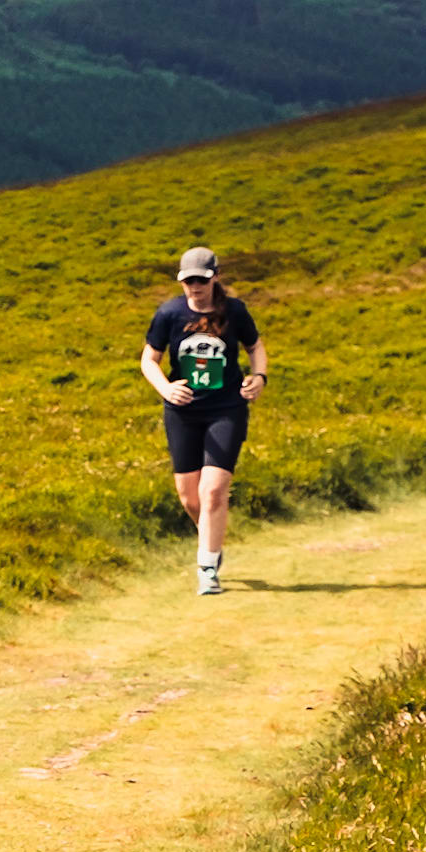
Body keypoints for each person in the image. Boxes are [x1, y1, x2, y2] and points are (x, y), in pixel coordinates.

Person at [141, 245, 266, 596]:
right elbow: (149, 359)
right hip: (182, 411)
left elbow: (255, 347)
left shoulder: (234, 311)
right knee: (189, 497)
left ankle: (207, 569)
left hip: (226, 408)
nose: (194, 287)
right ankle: (212, 541)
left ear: (215, 278)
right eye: (188, 280)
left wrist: (259, 378)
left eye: (201, 280)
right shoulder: (168, 314)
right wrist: (166, 389)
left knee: (212, 491)